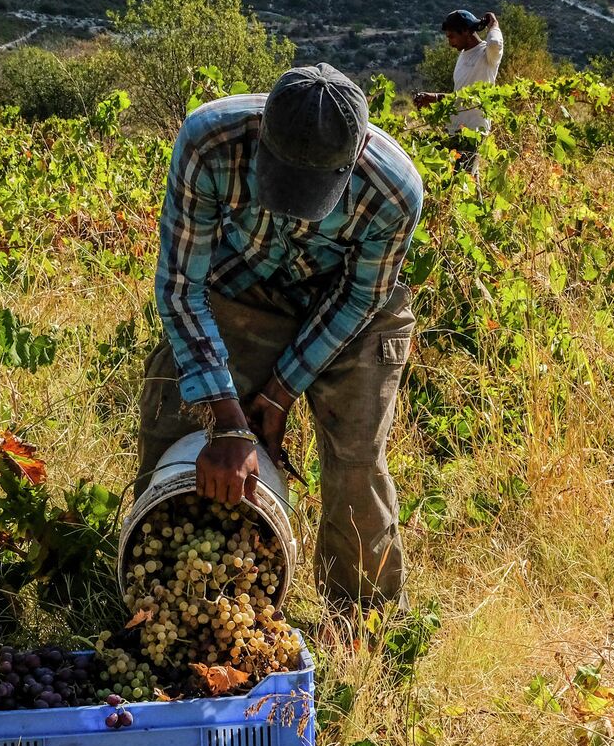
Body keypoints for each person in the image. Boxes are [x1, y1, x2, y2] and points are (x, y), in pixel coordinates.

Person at [137, 63, 423, 609]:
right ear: (262, 129)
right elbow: (180, 288)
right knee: (176, 417)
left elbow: (359, 298)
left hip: (352, 309)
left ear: (358, 151)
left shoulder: (395, 190)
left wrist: (278, 392)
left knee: (357, 460)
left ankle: (361, 619)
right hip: (240, 287)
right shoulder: (210, 142)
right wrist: (227, 420)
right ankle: (165, 596)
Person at [413, 8, 504, 132]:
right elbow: (462, 97)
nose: (450, 43)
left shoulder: (487, 55)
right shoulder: (462, 55)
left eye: (452, 37)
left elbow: (494, 43)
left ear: (466, 31)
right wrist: (434, 97)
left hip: (474, 133)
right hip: (454, 131)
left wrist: (494, 24)